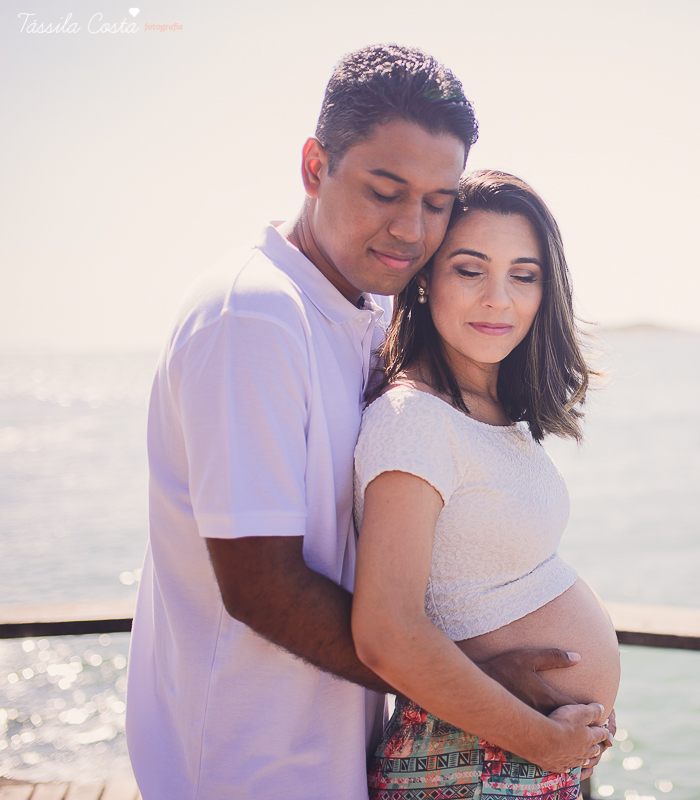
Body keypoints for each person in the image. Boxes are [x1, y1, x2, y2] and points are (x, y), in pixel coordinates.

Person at [126, 45, 610, 800]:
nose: (412, 229)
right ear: (314, 166)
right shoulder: (253, 316)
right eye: (384, 191)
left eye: (438, 202)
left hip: (333, 748)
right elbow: (261, 585)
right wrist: (491, 692)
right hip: (246, 762)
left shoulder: (366, 307)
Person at [352, 169, 620, 798]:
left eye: (523, 275)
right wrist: (545, 741)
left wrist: (572, 731)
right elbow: (386, 633)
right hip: (469, 760)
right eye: (470, 270)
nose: (499, 299)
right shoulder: (414, 419)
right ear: (425, 278)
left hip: (511, 755)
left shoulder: (489, 409)